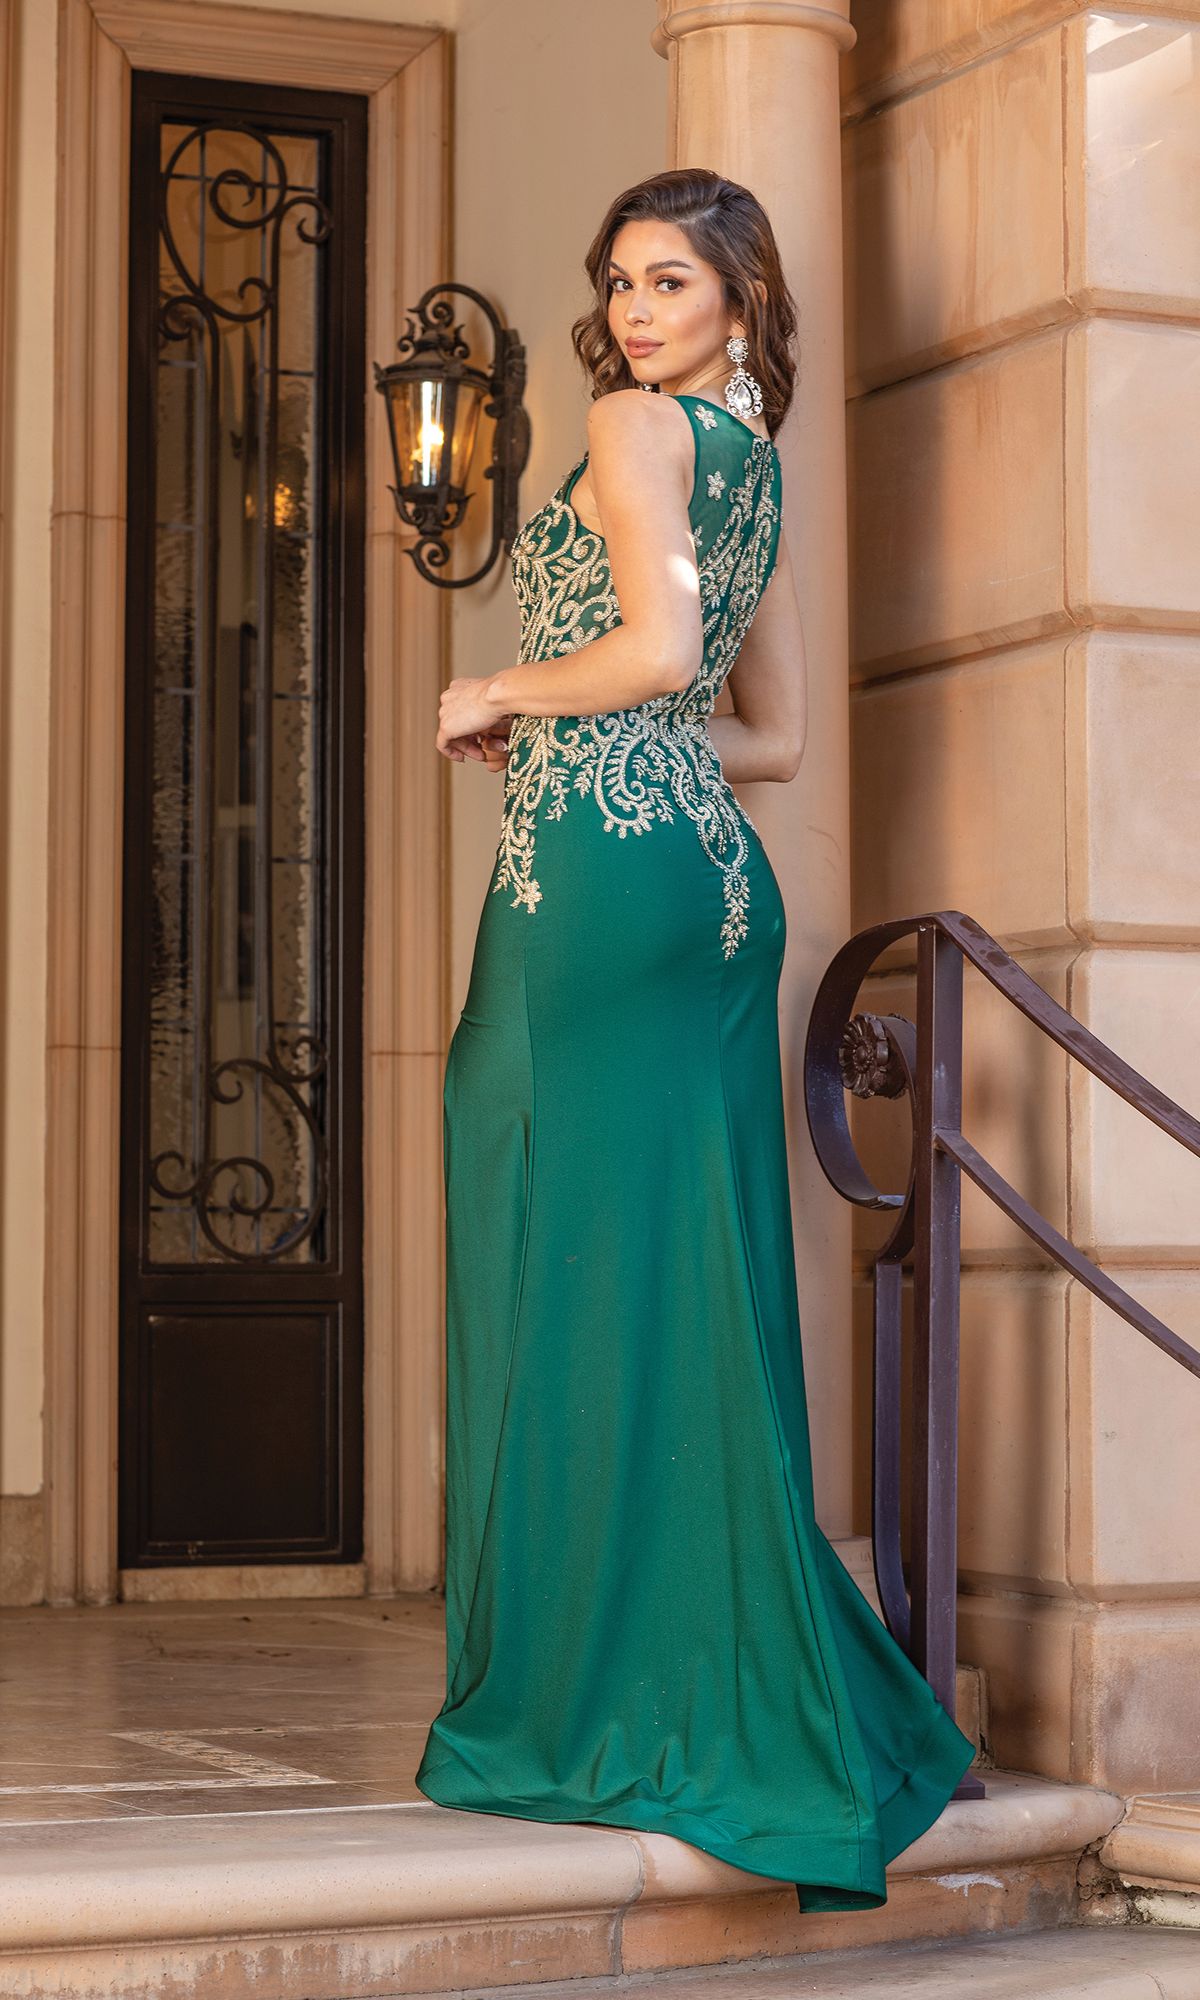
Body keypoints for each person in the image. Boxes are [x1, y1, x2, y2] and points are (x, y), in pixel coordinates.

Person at [414, 168, 975, 1913]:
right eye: (621, 281)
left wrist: (505, 692)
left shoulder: (633, 426)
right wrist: (590, 725)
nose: (637, 310)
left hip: (598, 885)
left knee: (556, 1236)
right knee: (677, 1263)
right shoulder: (758, 462)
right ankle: (706, 1666)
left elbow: (659, 650)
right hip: (708, 888)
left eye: (672, 280)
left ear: (742, 296)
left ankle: (575, 1697)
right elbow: (771, 740)